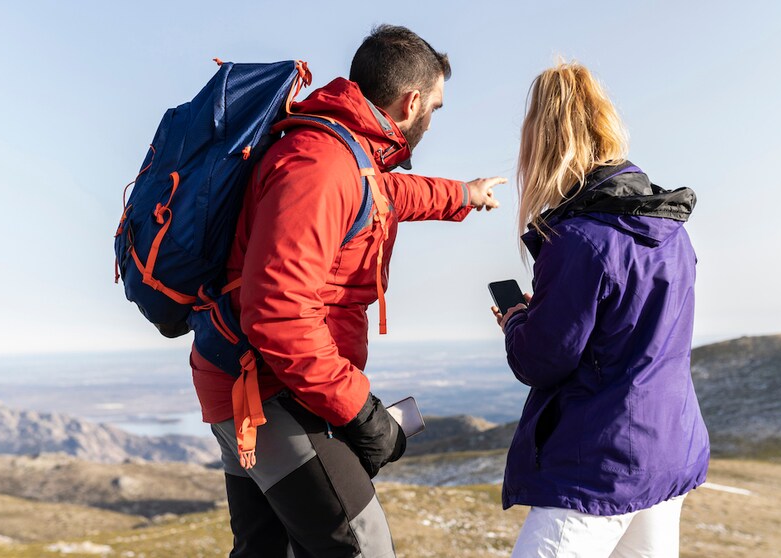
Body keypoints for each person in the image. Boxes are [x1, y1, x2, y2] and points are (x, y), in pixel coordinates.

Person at [190, 25, 505, 558]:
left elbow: (389, 193)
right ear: (411, 103)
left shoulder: (347, 153)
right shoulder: (323, 164)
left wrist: (464, 195)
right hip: (266, 390)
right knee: (363, 545)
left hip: (260, 380)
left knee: (268, 551)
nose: (433, 117)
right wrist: (361, 412)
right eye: (436, 106)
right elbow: (278, 314)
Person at [493, 61, 709, 558]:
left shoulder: (577, 240)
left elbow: (541, 359)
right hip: (667, 447)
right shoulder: (670, 229)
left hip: (600, 465)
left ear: (542, 143)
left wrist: (517, 320)